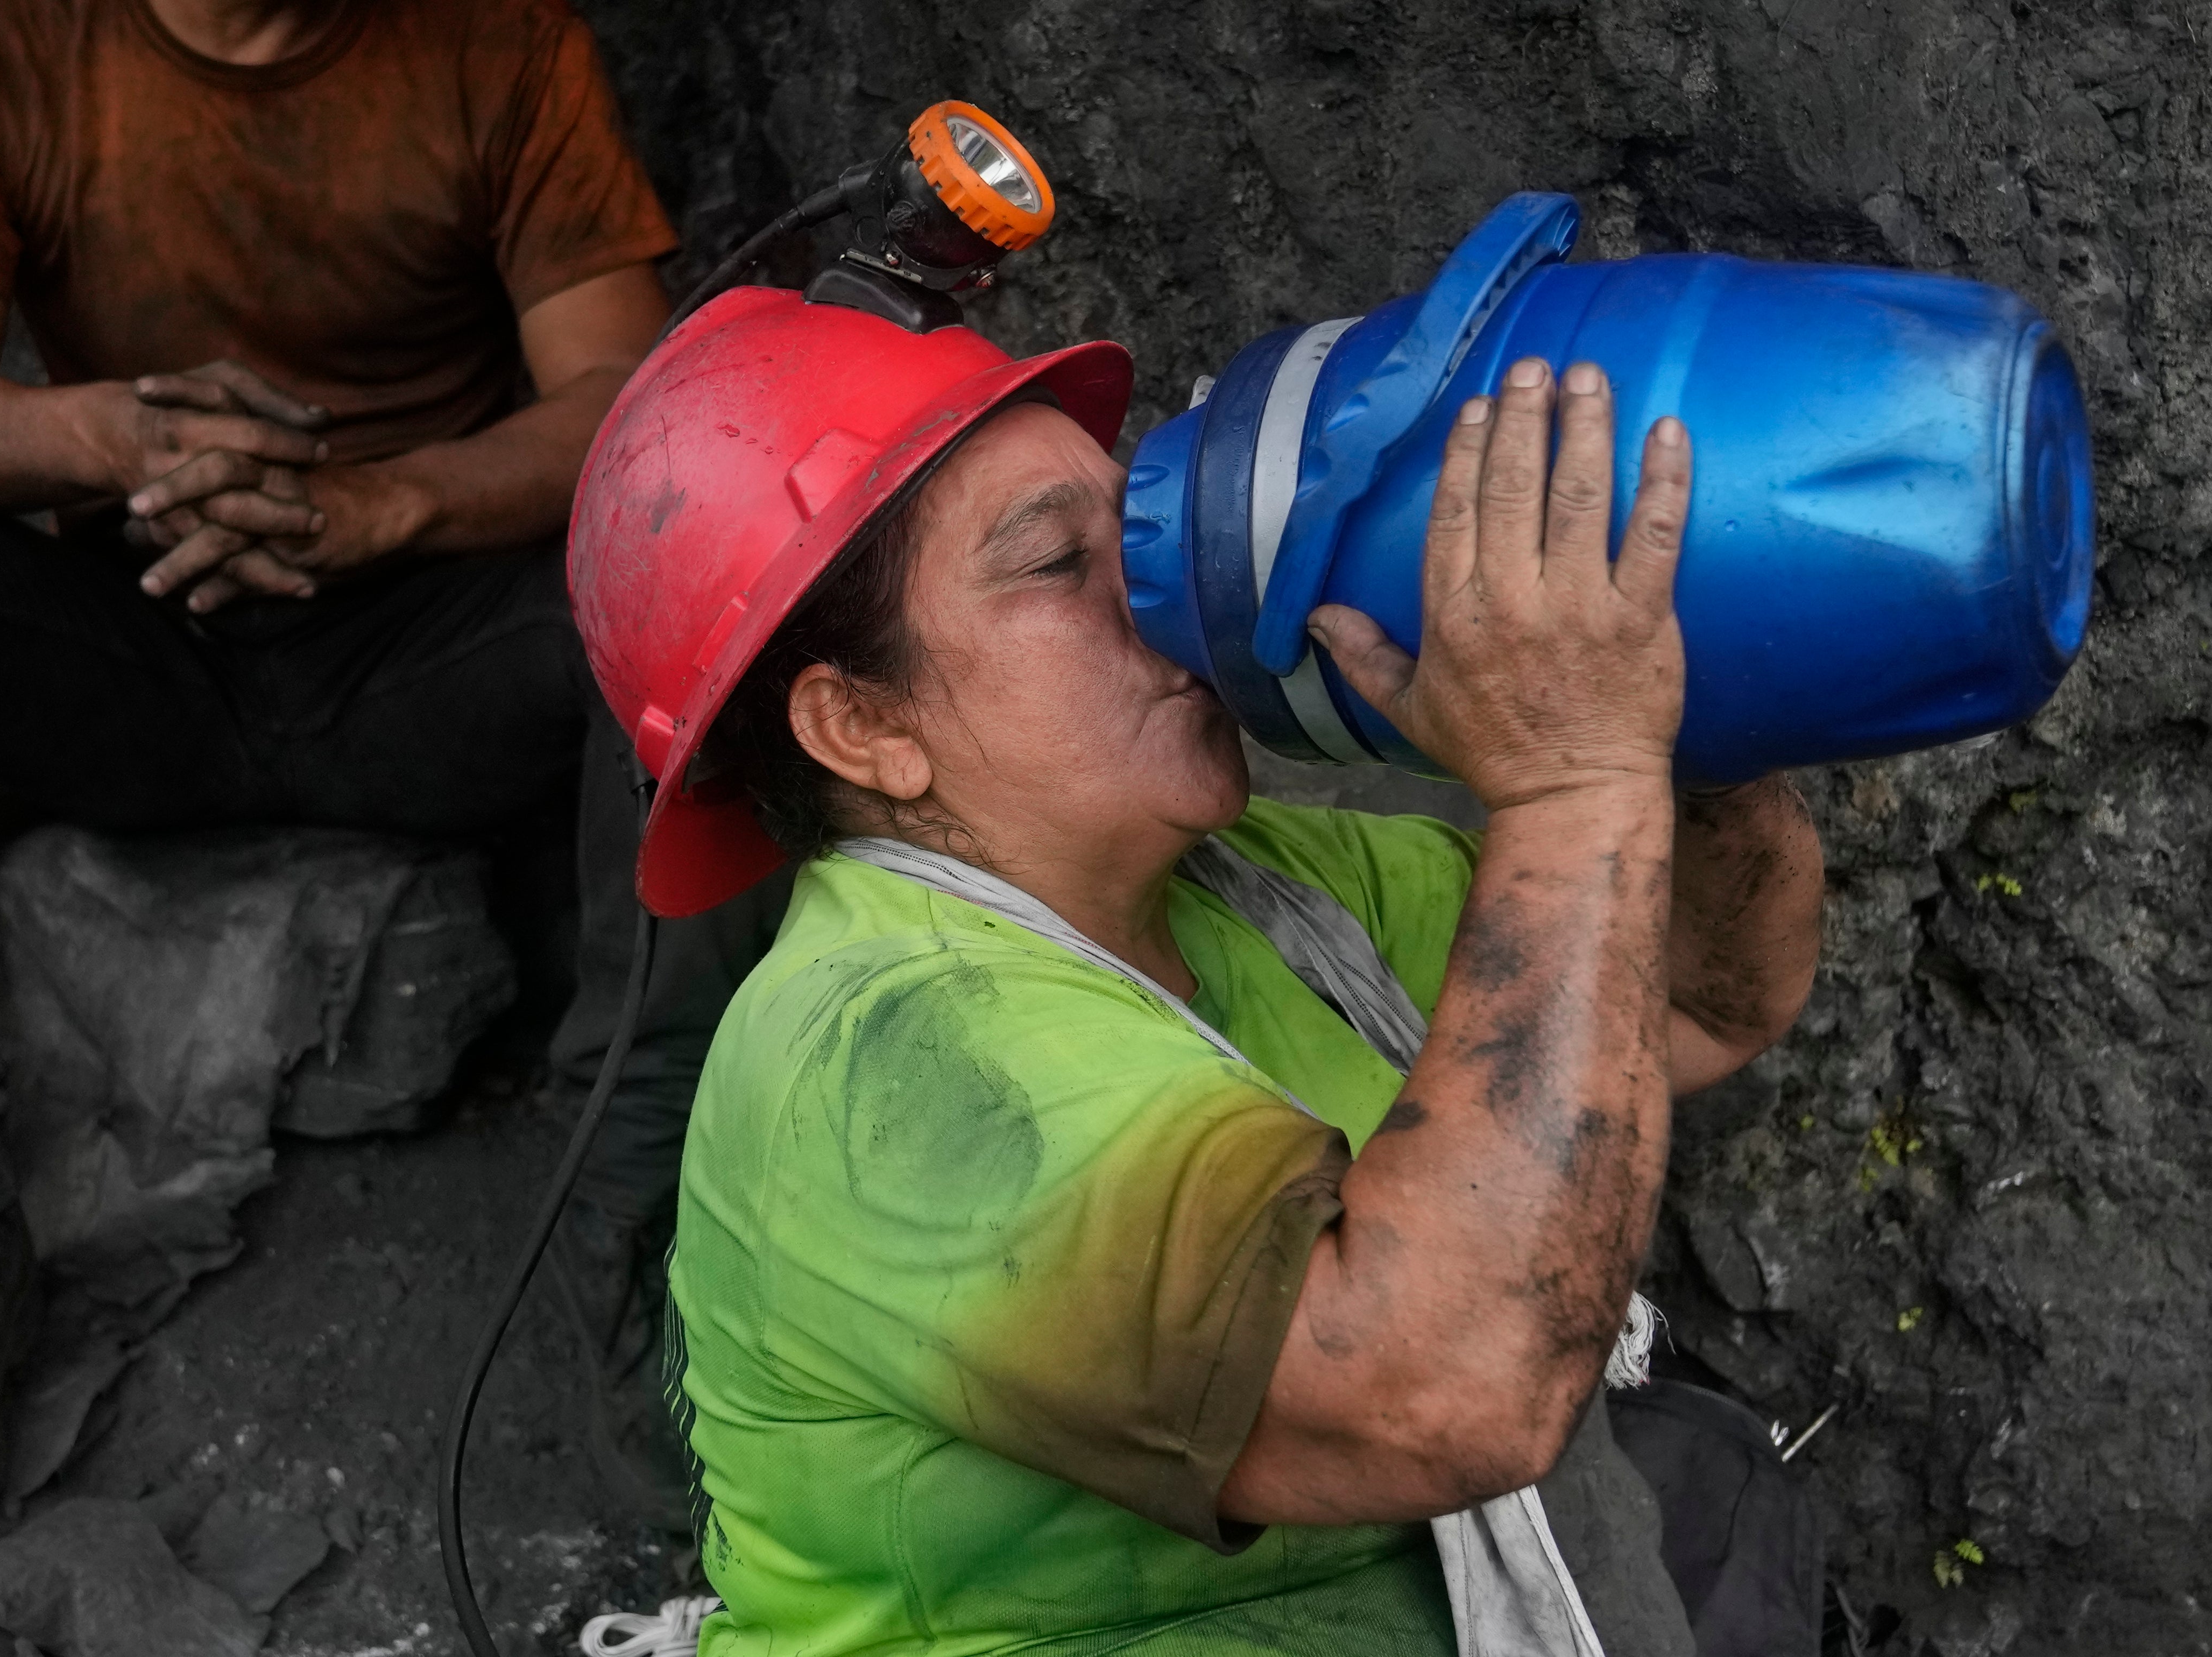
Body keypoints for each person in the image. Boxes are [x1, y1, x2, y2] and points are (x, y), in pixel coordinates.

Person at [565, 287, 1824, 1653]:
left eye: (1140, 528)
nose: (1163, 591)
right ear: (864, 727)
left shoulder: (1262, 887)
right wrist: (1575, 784)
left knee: (1702, 1485)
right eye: (1058, 563)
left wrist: (1680, 733)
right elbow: (1438, 1397)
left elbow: (1692, 998)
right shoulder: (890, 1061)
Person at [0, 0, 772, 1539]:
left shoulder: (499, 39)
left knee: (696, 570)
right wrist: (121, 442)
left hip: (421, 657)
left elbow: (628, 402)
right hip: (139, 650)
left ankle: (630, 1223)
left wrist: (389, 502)